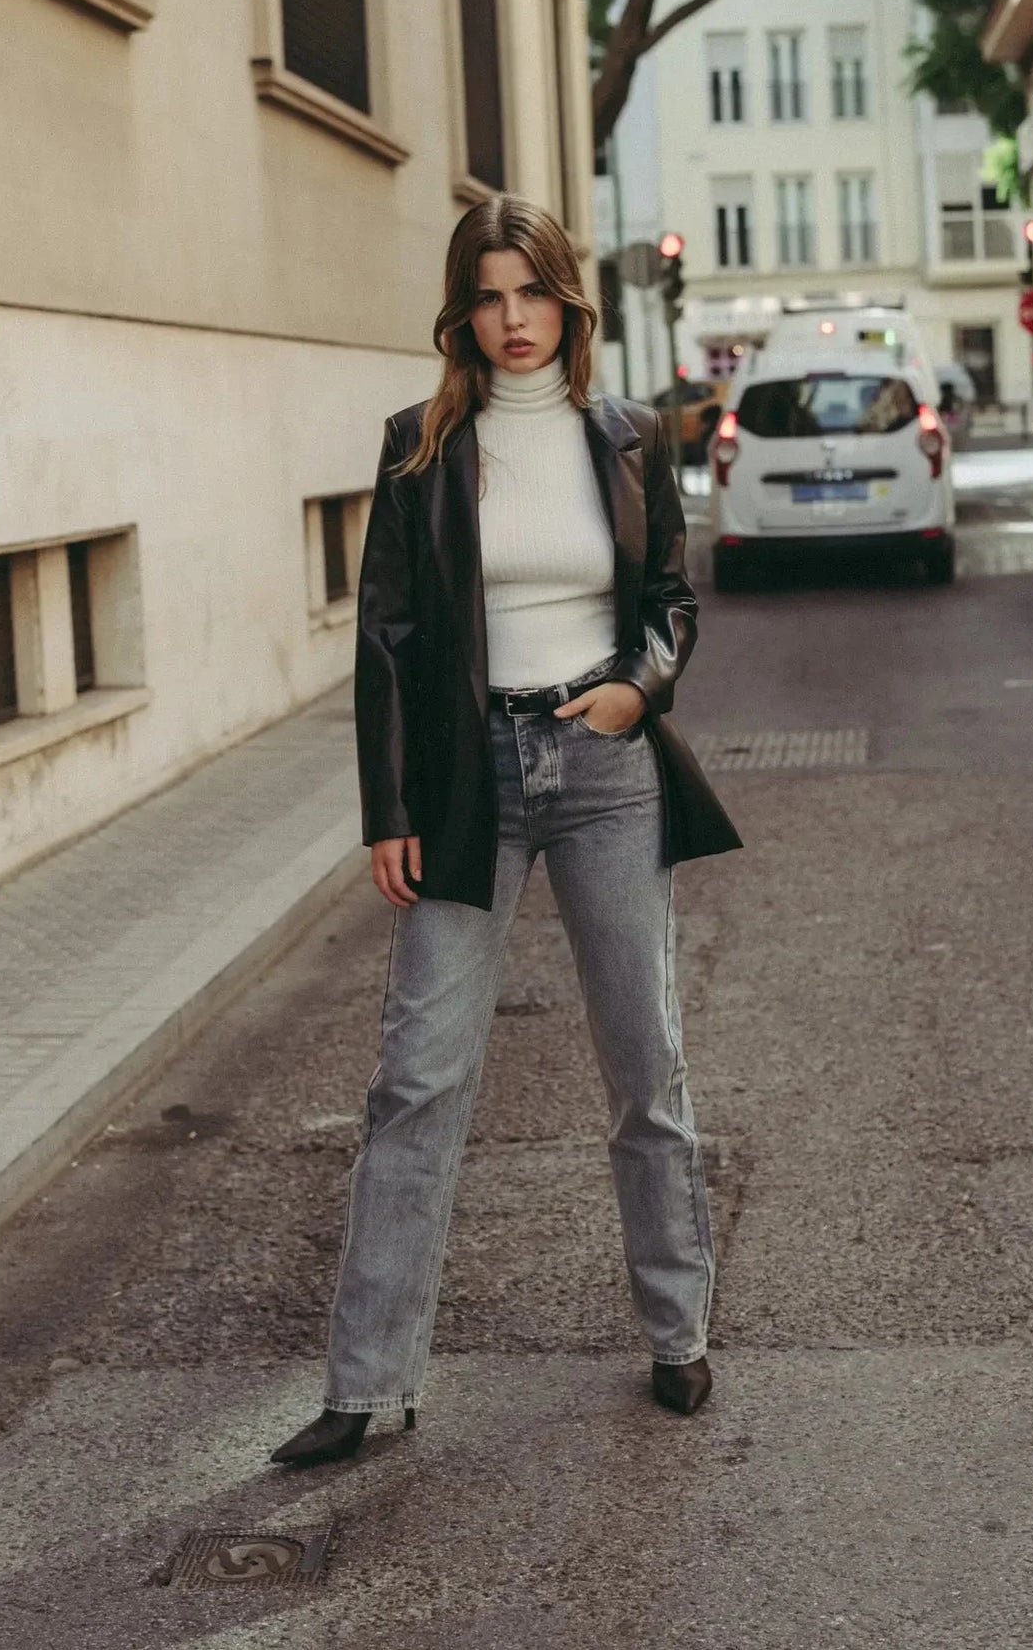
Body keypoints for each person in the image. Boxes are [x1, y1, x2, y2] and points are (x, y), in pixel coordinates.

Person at [271, 194, 741, 1470]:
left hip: (602, 763)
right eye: (487, 294)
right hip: (470, 776)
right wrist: (390, 808)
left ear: (565, 302)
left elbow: (667, 601)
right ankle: (367, 1382)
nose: (512, 318)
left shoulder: (631, 436)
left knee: (644, 1060)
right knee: (416, 1071)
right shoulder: (420, 448)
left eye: (530, 291)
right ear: (460, 310)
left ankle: (675, 1327)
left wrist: (637, 688)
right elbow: (387, 639)